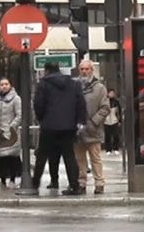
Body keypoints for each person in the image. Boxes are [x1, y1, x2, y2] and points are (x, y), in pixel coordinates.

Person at [33, 60, 86, 194]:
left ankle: (34, 185)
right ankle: (74, 185)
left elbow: (38, 104)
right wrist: (80, 121)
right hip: (68, 126)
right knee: (69, 155)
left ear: (46, 71)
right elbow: (81, 103)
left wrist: (41, 119)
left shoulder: (43, 84)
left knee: (42, 155)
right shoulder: (74, 84)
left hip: (49, 125)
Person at [76, 62, 112, 195]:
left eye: (87, 69)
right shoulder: (75, 86)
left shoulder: (100, 88)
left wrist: (94, 122)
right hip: (78, 130)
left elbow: (105, 108)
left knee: (95, 158)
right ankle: (81, 183)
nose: (84, 71)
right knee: (80, 159)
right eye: (82, 69)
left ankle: (99, 183)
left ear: (92, 70)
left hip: (93, 129)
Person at [0, 76, 23, 187]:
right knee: (1, 159)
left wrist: (12, 126)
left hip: (11, 133)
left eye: (6, 84)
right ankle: (2, 180)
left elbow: (19, 115)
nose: (4, 86)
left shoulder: (16, 99)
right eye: (2, 84)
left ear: (10, 85)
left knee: (12, 157)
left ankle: (12, 180)